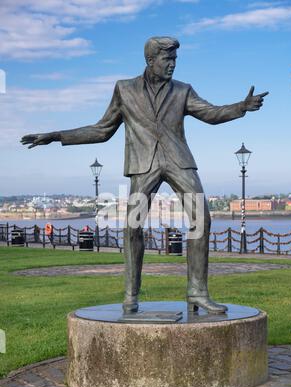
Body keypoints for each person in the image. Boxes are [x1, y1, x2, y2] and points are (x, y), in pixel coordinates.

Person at [21, 36, 268, 314]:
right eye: (167, 59)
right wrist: (56, 136)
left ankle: (197, 292)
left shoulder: (183, 90)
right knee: (132, 227)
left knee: (202, 219)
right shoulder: (124, 90)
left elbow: (210, 113)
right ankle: (130, 295)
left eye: (175, 60)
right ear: (151, 60)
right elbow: (102, 130)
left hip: (179, 162)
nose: (173, 65)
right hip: (143, 165)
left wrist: (240, 107)